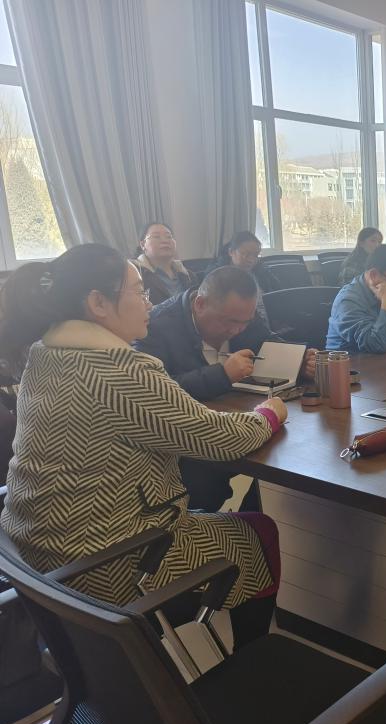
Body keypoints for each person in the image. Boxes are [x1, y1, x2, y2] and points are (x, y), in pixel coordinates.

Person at [0, 245, 287, 648]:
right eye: (139, 291)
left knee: (209, 510)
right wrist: (269, 414)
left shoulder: (45, 354)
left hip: (37, 554)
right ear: (98, 303)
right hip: (110, 563)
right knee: (259, 533)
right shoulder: (119, 369)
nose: (149, 302)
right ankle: (252, 662)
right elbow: (220, 438)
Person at [135, 266, 317, 511]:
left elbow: (268, 342)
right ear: (200, 304)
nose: (237, 330)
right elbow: (155, 393)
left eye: (245, 322)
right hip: (189, 441)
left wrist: (299, 362)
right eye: (229, 322)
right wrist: (221, 374)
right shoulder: (154, 327)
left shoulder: (241, 315)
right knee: (207, 484)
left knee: (291, 460)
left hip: (242, 421)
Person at [209, 231, 280, 321]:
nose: (251, 260)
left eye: (255, 255)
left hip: (270, 319)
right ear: (231, 252)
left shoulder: (261, 271)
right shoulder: (217, 275)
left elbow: (278, 296)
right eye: (245, 254)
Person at [133, 222, 195, 306]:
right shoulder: (135, 274)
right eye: (156, 236)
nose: (165, 241)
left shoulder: (188, 275)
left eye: (169, 237)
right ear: (143, 244)